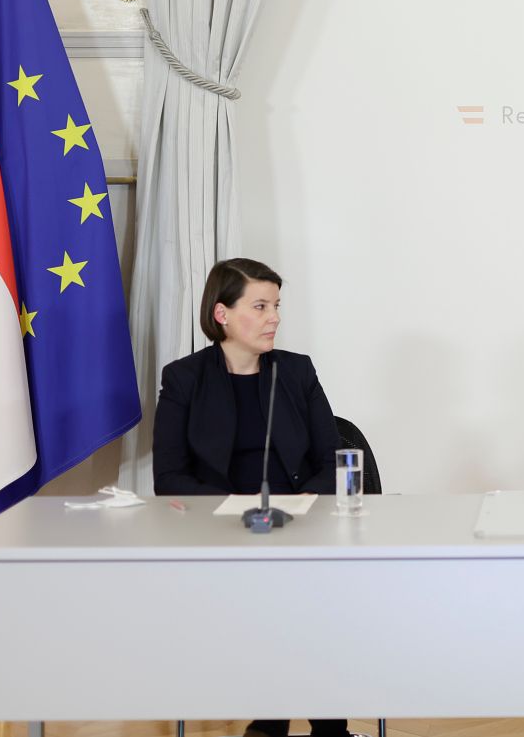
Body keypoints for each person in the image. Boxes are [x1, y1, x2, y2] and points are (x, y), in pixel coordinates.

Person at [154, 257, 348, 737]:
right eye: (260, 306)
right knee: (287, 606)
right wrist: (239, 511)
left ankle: (284, 724)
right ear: (221, 314)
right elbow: (170, 478)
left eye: (277, 306)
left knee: (301, 600)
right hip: (222, 533)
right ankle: (303, 725)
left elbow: (335, 461)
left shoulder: (297, 372)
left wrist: (297, 508)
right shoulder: (184, 379)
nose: (274, 318)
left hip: (300, 528)